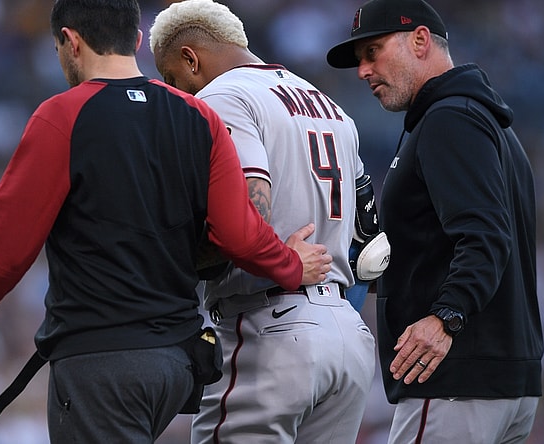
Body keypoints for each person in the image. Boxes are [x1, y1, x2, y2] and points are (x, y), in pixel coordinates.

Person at [0, 0, 335, 442]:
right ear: (137, 40)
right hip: (178, 363)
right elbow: (238, 234)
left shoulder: (61, 115)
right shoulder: (200, 116)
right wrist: (291, 264)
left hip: (101, 363)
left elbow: (1, 255)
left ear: (70, 41)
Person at [149, 1, 386, 442]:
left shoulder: (220, 97)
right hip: (347, 335)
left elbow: (250, 215)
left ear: (190, 58)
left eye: (172, 79)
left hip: (269, 325)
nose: (175, 91)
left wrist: (170, 262)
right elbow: (369, 238)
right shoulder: (331, 106)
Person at [326, 0, 544, 443]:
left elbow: (484, 235)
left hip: (456, 381)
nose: (363, 71)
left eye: (373, 51)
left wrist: (447, 316)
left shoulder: (450, 118)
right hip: (503, 379)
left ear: (420, 40)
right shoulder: (486, 121)